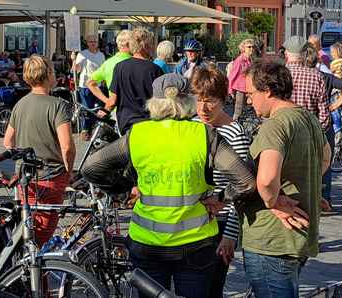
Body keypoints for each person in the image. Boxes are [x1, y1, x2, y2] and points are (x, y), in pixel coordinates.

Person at [82, 73, 256, 298]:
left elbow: (90, 168)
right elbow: (245, 182)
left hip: (147, 244)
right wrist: (221, 198)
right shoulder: (205, 135)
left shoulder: (138, 134)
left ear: (153, 103)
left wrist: (126, 191)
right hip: (197, 244)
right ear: (188, 102)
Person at [238, 59, 326, 298]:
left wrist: (272, 202)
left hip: (272, 239)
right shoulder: (307, 118)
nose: (248, 100)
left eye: (251, 94)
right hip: (297, 238)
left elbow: (266, 180)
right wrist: (307, 179)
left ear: (267, 90)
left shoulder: (275, 125)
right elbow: (325, 156)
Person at [188, 66, 250, 296]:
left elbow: (242, 187)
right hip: (192, 220)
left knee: (211, 288)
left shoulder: (235, 133)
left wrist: (230, 235)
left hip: (221, 220)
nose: (203, 107)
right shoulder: (191, 127)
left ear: (224, 99)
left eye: (210, 101)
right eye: (198, 100)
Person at [2, 55, 75, 246]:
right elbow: (67, 145)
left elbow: (8, 142)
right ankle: (38, 275)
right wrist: (68, 172)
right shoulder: (57, 105)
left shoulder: (20, 104)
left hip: (25, 178)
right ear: (49, 74)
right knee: (42, 240)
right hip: (50, 177)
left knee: (29, 233)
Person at [284, 37, 342, 216]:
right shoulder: (316, 76)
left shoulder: (279, 74)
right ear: (305, 54)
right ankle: (314, 205)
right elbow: (323, 111)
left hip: (283, 132)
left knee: (286, 172)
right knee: (313, 171)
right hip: (310, 132)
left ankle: (289, 204)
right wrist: (320, 132)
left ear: (286, 54)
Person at [105, 29, 164, 134]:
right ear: (144, 46)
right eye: (151, 44)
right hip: (148, 122)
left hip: (126, 123)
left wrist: (103, 113)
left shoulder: (120, 67)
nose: (153, 47)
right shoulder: (154, 69)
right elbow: (162, 100)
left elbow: (113, 100)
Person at [86, 30, 133, 108]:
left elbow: (90, 82)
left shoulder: (109, 62)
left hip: (115, 108)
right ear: (129, 44)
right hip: (136, 110)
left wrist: (108, 101)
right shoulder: (137, 61)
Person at [72, 35, 105, 141]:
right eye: (91, 42)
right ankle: (85, 130)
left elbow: (103, 71)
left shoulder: (101, 55)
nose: (93, 44)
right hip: (85, 86)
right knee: (86, 108)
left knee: (96, 108)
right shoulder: (82, 55)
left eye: (95, 42)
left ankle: (94, 129)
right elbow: (76, 69)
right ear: (87, 43)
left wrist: (103, 85)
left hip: (98, 86)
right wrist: (73, 60)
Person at [227, 39, 257, 119]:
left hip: (247, 90)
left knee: (244, 113)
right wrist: (230, 91)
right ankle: (233, 128)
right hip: (239, 89)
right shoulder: (240, 60)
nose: (251, 49)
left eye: (253, 47)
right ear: (243, 48)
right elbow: (232, 76)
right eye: (249, 47)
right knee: (238, 112)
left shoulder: (250, 61)